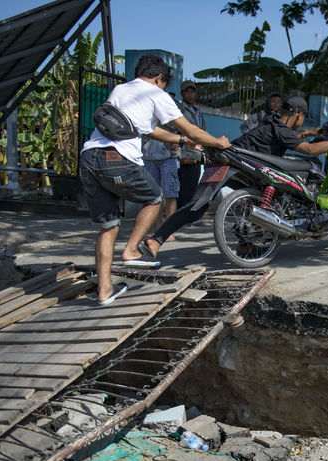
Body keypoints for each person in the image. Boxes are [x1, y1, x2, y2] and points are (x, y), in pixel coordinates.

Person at [79, 53, 230, 305]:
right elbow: (190, 128)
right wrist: (217, 142)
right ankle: (131, 250)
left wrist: (183, 141)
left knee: (108, 226)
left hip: (89, 158)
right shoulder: (157, 94)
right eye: (164, 83)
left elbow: (149, 130)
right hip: (117, 158)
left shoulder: (121, 89)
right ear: (159, 78)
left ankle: (105, 291)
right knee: (154, 198)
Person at [140, 95, 328, 261]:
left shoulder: (271, 122)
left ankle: (245, 244)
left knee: (207, 207)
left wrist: (309, 133)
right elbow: (309, 150)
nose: (302, 122)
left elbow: (291, 138)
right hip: (238, 164)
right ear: (298, 115)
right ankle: (155, 240)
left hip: (233, 162)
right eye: (302, 119)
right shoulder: (280, 129)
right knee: (197, 208)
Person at [141, 135, 179, 240]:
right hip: (148, 157)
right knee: (153, 195)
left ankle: (168, 231)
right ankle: (158, 230)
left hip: (169, 156)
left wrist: (178, 141)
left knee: (170, 193)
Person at [177, 80, 204, 208]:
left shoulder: (198, 112)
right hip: (185, 155)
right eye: (187, 92)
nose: (190, 94)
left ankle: (187, 215)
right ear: (182, 94)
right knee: (185, 189)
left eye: (192, 92)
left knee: (193, 186)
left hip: (197, 155)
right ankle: (182, 216)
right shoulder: (179, 110)